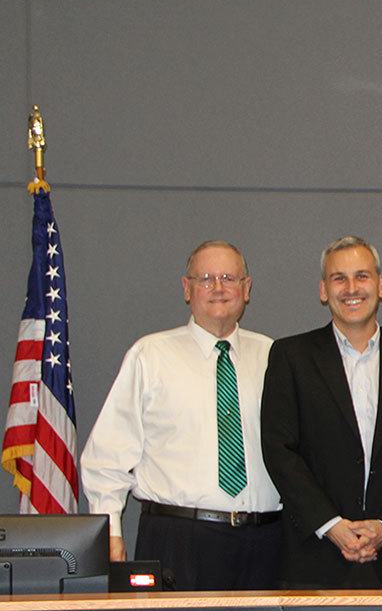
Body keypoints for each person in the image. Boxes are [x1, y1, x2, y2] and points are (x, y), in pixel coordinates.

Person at [81, 240, 282, 589]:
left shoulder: (274, 356)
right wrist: (111, 531)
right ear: (186, 289)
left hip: (264, 543)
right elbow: (107, 456)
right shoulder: (150, 355)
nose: (218, 288)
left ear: (246, 289)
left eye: (228, 278)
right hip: (177, 541)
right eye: (205, 278)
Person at [260, 236, 382, 589]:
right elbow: (279, 450)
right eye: (339, 278)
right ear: (324, 290)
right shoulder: (291, 357)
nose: (352, 288)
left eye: (362, 276)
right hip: (314, 554)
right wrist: (331, 525)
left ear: (381, 286)